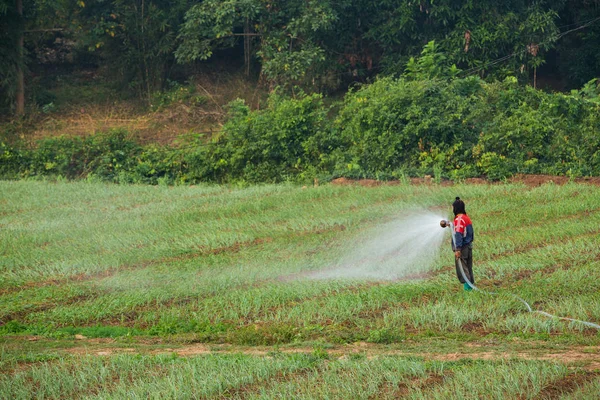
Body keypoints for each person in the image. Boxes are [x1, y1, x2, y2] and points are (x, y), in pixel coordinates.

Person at [452, 197, 474, 291]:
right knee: (468, 267)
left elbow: (459, 234)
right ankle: (471, 286)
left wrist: (458, 249)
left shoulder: (459, 219)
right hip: (468, 246)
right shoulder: (466, 218)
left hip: (463, 248)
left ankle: (468, 289)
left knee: (463, 269)